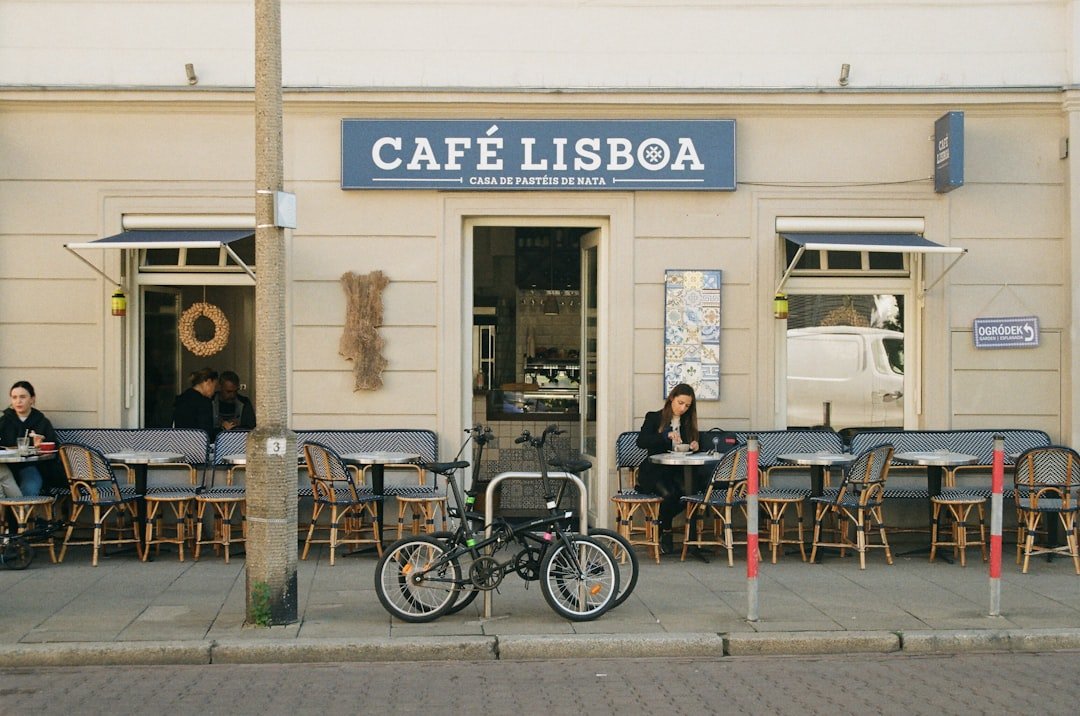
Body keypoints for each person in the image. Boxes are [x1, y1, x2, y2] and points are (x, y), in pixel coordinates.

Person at [635, 382, 701, 555]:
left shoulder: (687, 422)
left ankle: (662, 524)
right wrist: (665, 436)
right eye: (680, 403)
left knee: (689, 494)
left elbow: (691, 444)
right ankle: (666, 532)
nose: (683, 408)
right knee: (670, 495)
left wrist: (695, 445)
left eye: (687, 405)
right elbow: (641, 441)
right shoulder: (654, 417)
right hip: (654, 471)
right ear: (672, 398)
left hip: (677, 471)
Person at [0, 381, 61, 496]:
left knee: (30, 486)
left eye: (23, 397)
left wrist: (41, 446)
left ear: (32, 399)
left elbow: (55, 450)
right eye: (14, 397)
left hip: (32, 466)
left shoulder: (41, 421)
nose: (18, 401)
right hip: (6, 466)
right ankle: (15, 512)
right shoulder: (4, 421)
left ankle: (23, 512)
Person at [172, 368, 219, 437]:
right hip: (197, 443)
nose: (214, 390)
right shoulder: (204, 403)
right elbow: (206, 431)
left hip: (180, 441)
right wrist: (222, 429)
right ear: (208, 382)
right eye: (214, 386)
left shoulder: (182, 398)